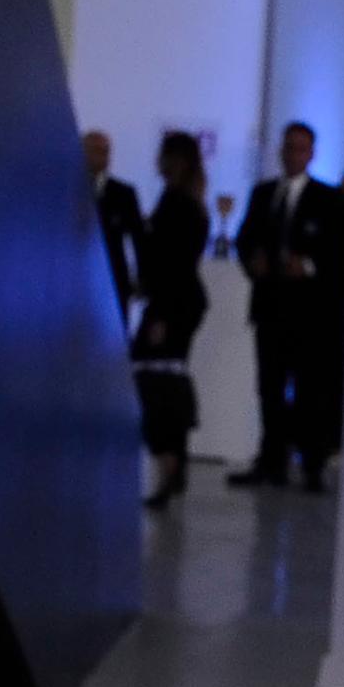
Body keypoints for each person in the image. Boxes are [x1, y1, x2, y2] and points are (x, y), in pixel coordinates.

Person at [230, 122, 343, 490]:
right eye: (288, 146)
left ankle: (312, 462)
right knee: (270, 387)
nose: (292, 153)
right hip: (270, 307)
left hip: (309, 314)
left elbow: (339, 252)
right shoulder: (263, 194)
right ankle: (272, 460)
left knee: (310, 388)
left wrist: (308, 266)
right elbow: (245, 237)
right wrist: (252, 260)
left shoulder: (327, 199)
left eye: (300, 148)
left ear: (311, 154)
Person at [130, 131, 213, 508]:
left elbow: (172, 263)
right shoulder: (187, 203)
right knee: (166, 378)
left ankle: (168, 462)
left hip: (171, 304)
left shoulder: (178, 205)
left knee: (157, 382)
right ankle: (172, 463)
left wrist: (160, 311)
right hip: (179, 302)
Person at [83, 129, 141, 321]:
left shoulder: (124, 193)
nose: (103, 156)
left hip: (114, 282)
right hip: (75, 282)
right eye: (96, 150)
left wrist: (141, 278)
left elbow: (138, 238)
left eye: (106, 151)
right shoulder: (65, 191)